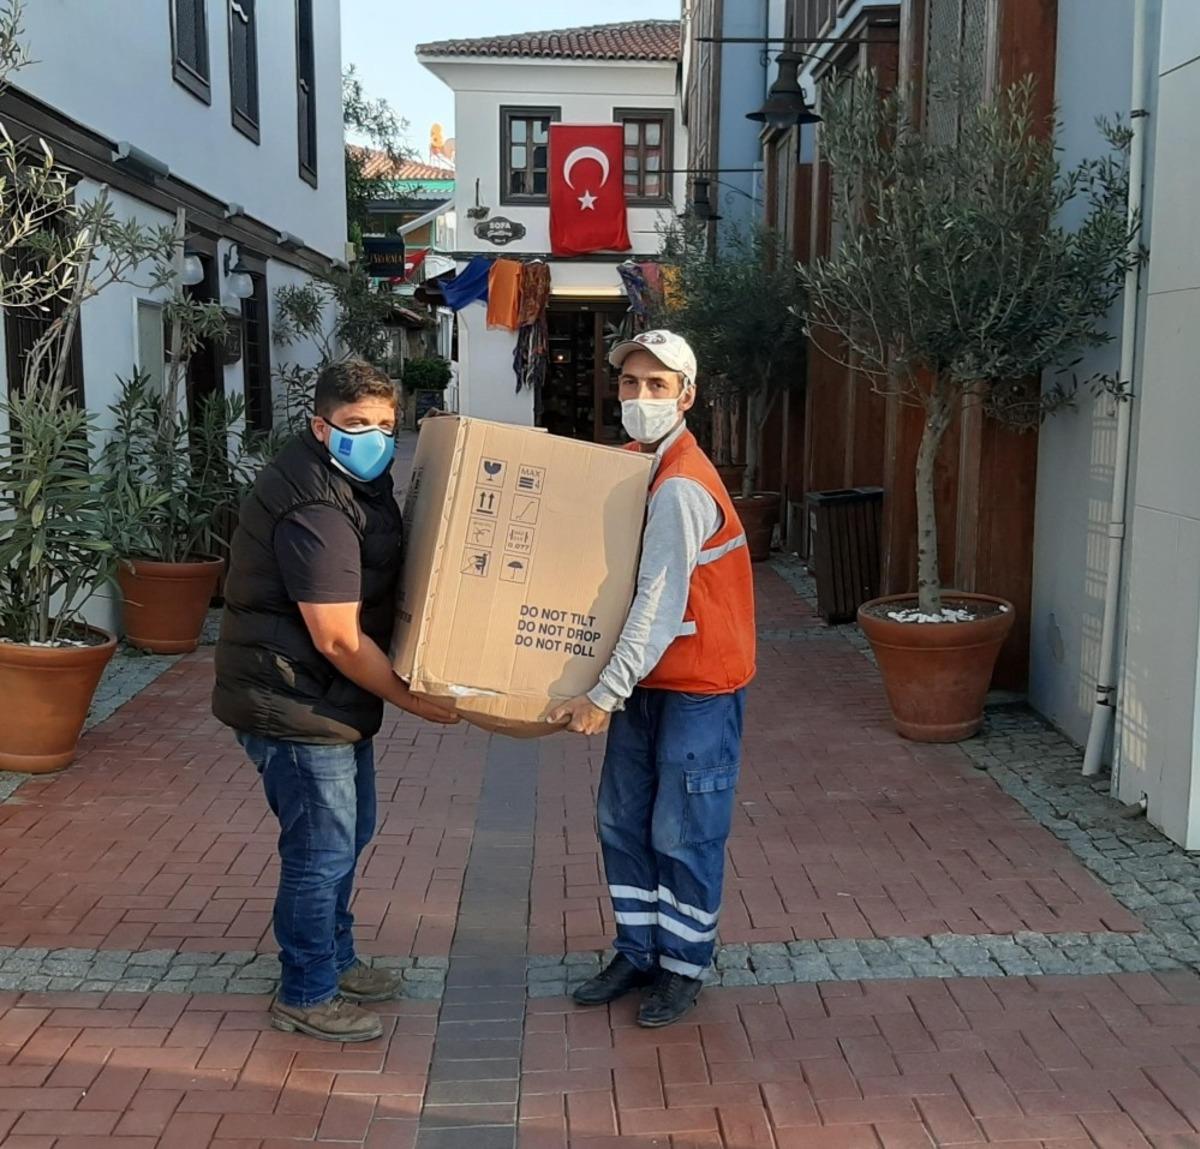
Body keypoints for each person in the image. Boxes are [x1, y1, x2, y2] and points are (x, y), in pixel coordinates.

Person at [213, 358, 458, 1044]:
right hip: (293, 699)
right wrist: (414, 701)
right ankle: (307, 991)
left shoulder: (355, 481)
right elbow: (338, 638)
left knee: (349, 833)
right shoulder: (316, 506)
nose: (373, 437)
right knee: (320, 851)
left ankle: (336, 959)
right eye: (356, 424)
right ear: (320, 426)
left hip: (322, 698)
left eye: (384, 424)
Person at [549, 330, 756, 1028]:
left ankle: (683, 964)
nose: (640, 396)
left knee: (682, 829)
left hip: (698, 686)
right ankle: (637, 950)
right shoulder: (639, 464)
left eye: (657, 385)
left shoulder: (680, 487)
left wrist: (602, 693)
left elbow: (659, 603)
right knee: (622, 820)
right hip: (650, 680)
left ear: (686, 396)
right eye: (631, 383)